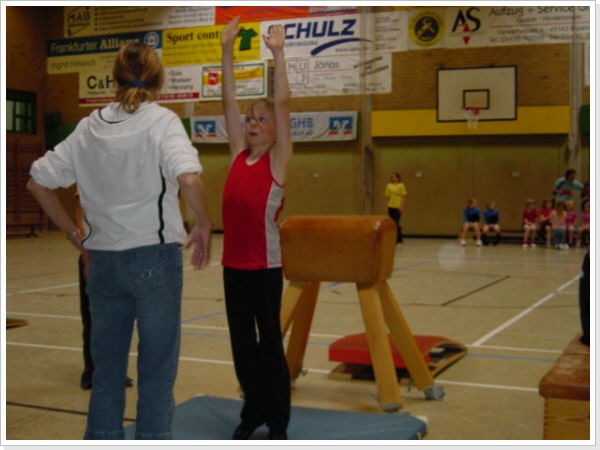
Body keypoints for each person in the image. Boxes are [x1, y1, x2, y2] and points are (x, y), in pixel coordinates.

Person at [27, 42, 212, 440]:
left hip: (103, 264)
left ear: (114, 78)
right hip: (153, 260)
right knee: (156, 373)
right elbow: (189, 178)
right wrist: (204, 222)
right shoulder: (162, 121)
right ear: (158, 80)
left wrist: (73, 233)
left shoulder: (88, 127)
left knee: (107, 373)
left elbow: (37, 182)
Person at [220, 17, 292, 440]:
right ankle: (253, 411)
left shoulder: (277, 161)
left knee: (269, 346)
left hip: (265, 270)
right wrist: (226, 51)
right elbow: (228, 100)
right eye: (250, 118)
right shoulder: (236, 155)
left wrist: (278, 54)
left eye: (261, 119)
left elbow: (283, 103)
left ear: (274, 128)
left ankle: (278, 420)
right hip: (232, 268)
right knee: (242, 348)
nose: (252, 123)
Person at [74, 189, 133, 391]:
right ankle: (92, 372)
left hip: (119, 253)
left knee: (118, 318)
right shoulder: (87, 179)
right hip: (95, 255)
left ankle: (114, 370)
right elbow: (81, 217)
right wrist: (86, 253)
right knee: (93, 318)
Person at [384, 172, 407, 245]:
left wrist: (402, 206)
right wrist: (387, 207)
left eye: (395, 177)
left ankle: (399, 240)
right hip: (390, 206)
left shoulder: (401, 185)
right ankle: (392, 239)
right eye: (392, 177)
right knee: (391, 224)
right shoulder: (389, 185)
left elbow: (403, 197)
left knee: (396, 223)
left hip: (397, 207)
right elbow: (387, 197)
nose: (393, 178)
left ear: (398, 178)